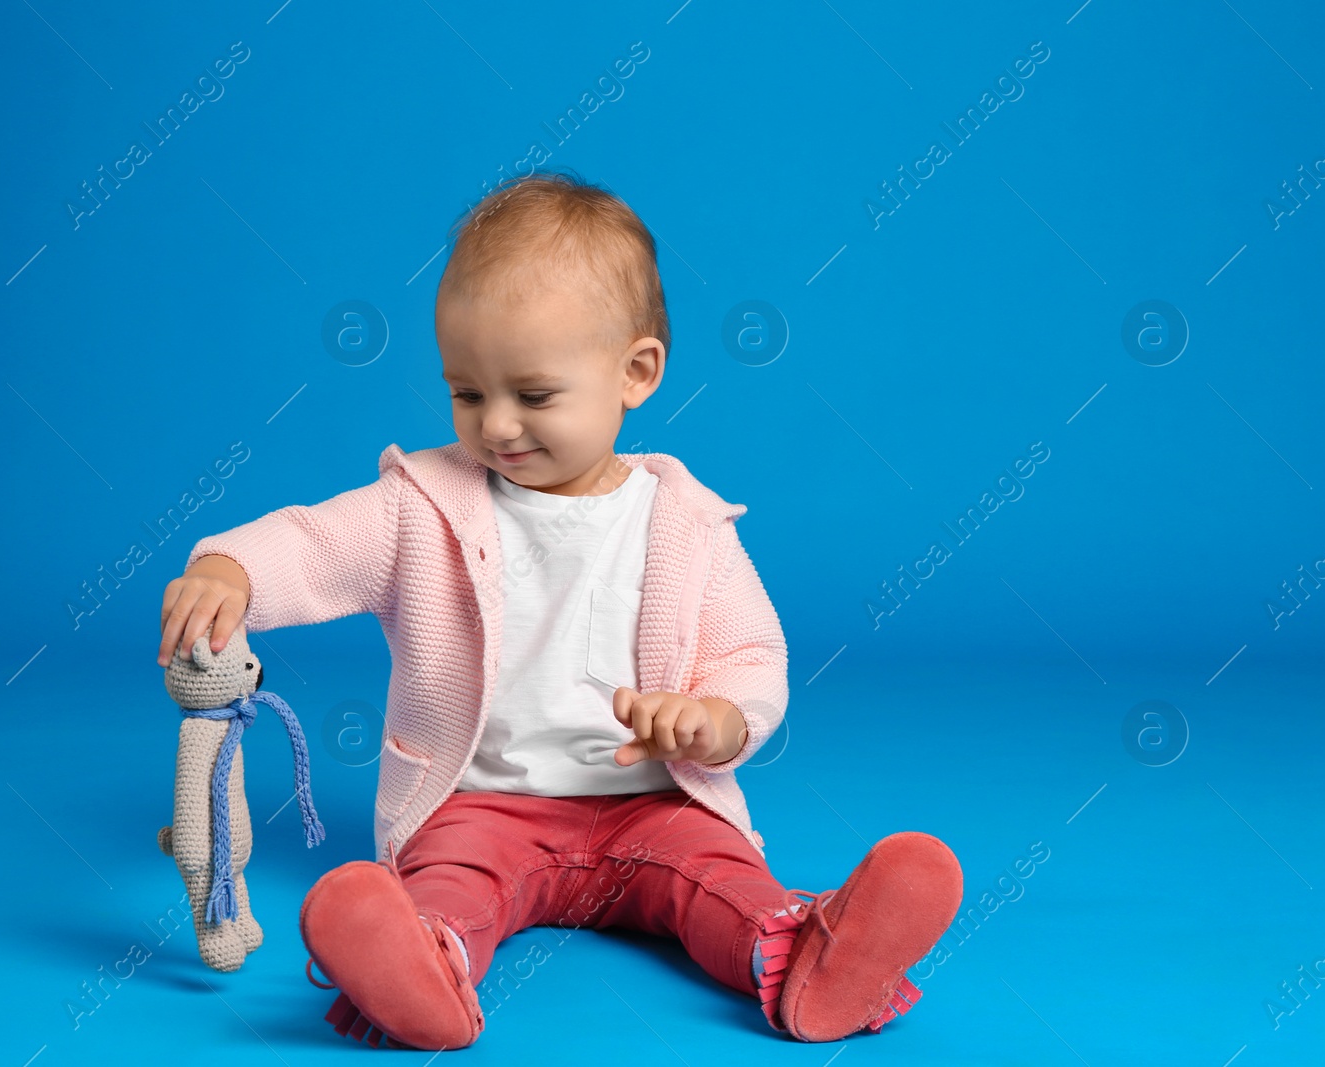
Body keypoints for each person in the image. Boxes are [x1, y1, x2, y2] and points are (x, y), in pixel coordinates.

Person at [156, 171, 962, 1050]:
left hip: (655, 806)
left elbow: (751, 655)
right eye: (467, 392)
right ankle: (424, 967)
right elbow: (314, 542)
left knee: (724, 882)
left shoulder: (686, 522)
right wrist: (232, 565)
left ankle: (814, 953)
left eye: (533, 395)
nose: (497, 425)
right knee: (450, 885)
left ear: (637, 373)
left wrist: (717, 721)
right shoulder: (423, 504)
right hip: (480, 807)